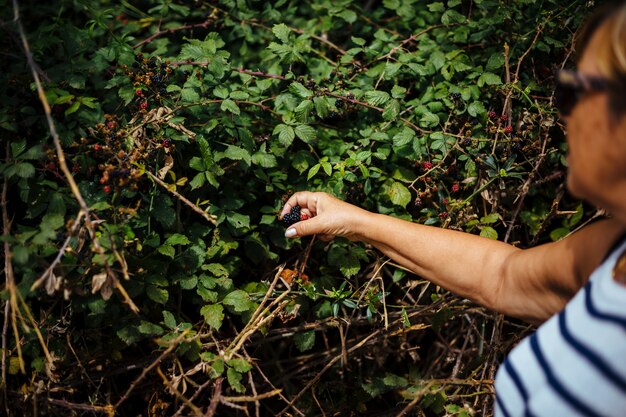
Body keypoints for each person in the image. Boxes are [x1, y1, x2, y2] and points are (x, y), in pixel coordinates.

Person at [279, 2, 626, 416]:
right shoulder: (611, 254)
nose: (563, 113)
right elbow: (498, 277)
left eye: (574, 91)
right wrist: (357, 221)